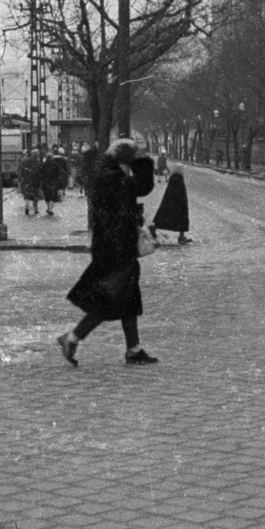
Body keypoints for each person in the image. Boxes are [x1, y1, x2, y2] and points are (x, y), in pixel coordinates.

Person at [56, 139, 158, 366]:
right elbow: (143, 187)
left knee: (128, 299)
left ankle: (134, 348)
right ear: (127, 159)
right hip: (116, 249)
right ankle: (71, 338)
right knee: (109, 300)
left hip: (114, 246)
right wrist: (142, 160)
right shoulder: (114, 179)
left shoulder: (108, 176)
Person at [150, 164, 191, 245]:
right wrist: (182, 200)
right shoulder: (179, 178)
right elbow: (179, 192)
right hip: (178, 204)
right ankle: (181, 237)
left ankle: (154, 227)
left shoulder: (173, 177)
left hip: (170, 203)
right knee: (181, 219)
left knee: (165, 218)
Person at [40, 148, 69, 217]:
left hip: (45, 182)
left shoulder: (43, 164)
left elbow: (41, 173)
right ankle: (50, 209)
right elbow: (58, 174)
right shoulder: (55, 164)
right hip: (53, 182)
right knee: (53, 196)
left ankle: (48, 208)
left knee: (47, 196)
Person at [18, 148, 43, 216]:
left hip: (27, 181)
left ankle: (26, 207)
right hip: (35, 181)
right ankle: (35, 209)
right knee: (35, 195)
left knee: (27, 195)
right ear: (37, 155)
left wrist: (22, 178)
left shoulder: (25, 161)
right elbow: (40, 172)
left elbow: (21, 170)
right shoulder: (38, 162)